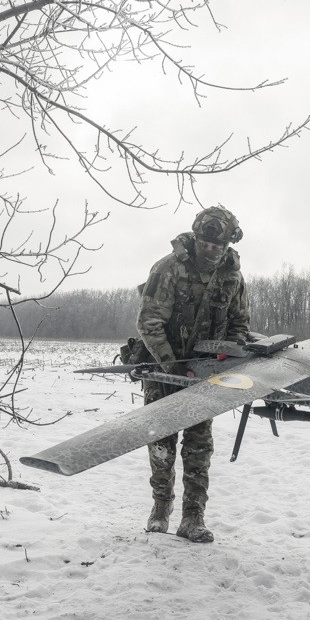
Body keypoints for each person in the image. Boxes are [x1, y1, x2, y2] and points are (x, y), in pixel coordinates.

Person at [136, 205, 250, 543]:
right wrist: (173, 367)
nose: (211, 250)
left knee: (199, 446)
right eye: (205, 243)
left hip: (205, 374)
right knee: (161, 441)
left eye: (219, 246)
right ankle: (160, 508)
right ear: (196, 237)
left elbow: (240, 324)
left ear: (228, 245)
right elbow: (149, 323)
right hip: (164, 369)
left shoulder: (232, 277)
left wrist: (225, 356)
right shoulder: (169, 268)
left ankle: (193, 516)